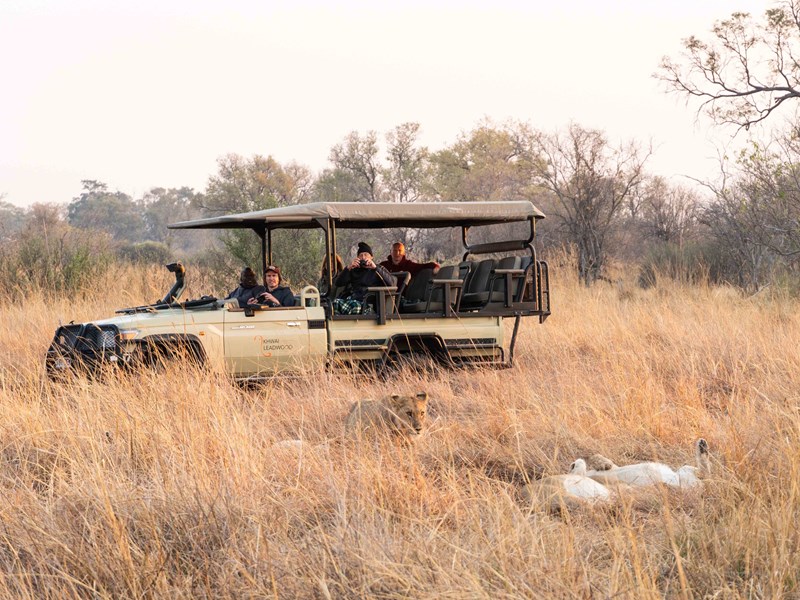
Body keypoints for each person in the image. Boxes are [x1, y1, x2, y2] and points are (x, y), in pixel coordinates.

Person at [333, 242, 395, 314]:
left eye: (366, 255)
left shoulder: (378, 269)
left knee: (355, 306)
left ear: (371, 257)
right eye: (360, 255)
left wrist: (375, 268)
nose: (363, 257)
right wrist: (348, 268)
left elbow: (391, 283)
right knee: (335, 303)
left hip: (369, 303)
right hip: (354, 299)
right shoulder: (354, 270)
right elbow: (338, 283)